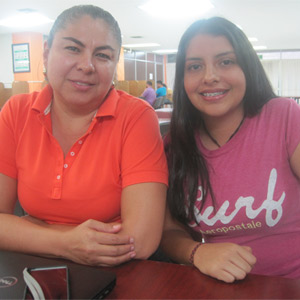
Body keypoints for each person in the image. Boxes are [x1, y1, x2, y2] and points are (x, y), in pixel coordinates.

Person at [0, 5, 168, 267]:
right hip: (31, 272)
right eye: (73, 48)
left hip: (115, 275)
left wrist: (25, 231)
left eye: (102, 55)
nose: (87, 66)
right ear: (46, 53)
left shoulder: (136, 117)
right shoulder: (16, 112)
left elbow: (141, 240)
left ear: (114, 64)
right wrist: (66, 244)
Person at [161, 16, 300, 283]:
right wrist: (197, 252)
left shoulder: (284, 117)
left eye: (226, 61)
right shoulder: (175, 144)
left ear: (246, 67)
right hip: (220, 287)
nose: (210, 77)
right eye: (195, 66)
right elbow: (168, 230)